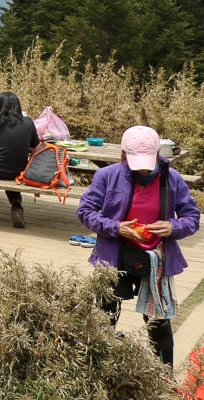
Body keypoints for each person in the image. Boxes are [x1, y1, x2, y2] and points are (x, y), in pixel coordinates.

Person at [77, 125, 200, 365]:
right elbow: (85, 211)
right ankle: (100, 368)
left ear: (158, 155)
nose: (143, 168)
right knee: (106, 316)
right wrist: (116, 227)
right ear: (124, 155)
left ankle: (163, 375)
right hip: (115, 255)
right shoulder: (108, 176)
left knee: (158, 322)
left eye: (148, 161)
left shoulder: (172, 179)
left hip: (156, 259)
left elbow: (192, 217)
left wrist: (172, 227)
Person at [0, 91, 38, 227]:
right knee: (12, 168)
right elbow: (35, 144)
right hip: (21, 172)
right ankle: (16, 206)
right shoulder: (28, 122)